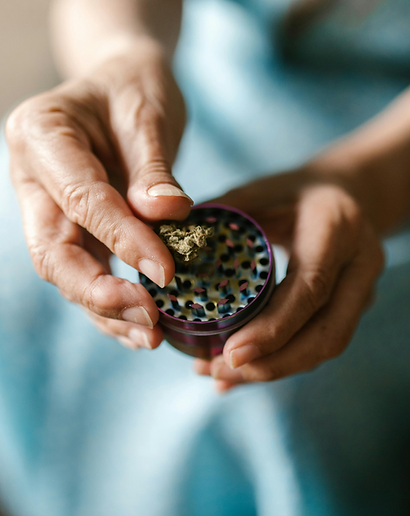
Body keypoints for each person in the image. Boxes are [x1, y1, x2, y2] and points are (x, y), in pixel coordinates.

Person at [1, 0, 410, 514]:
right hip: (181, 97)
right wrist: (118, 52)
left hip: (390, 155)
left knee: (280, 399)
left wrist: (367, 182)